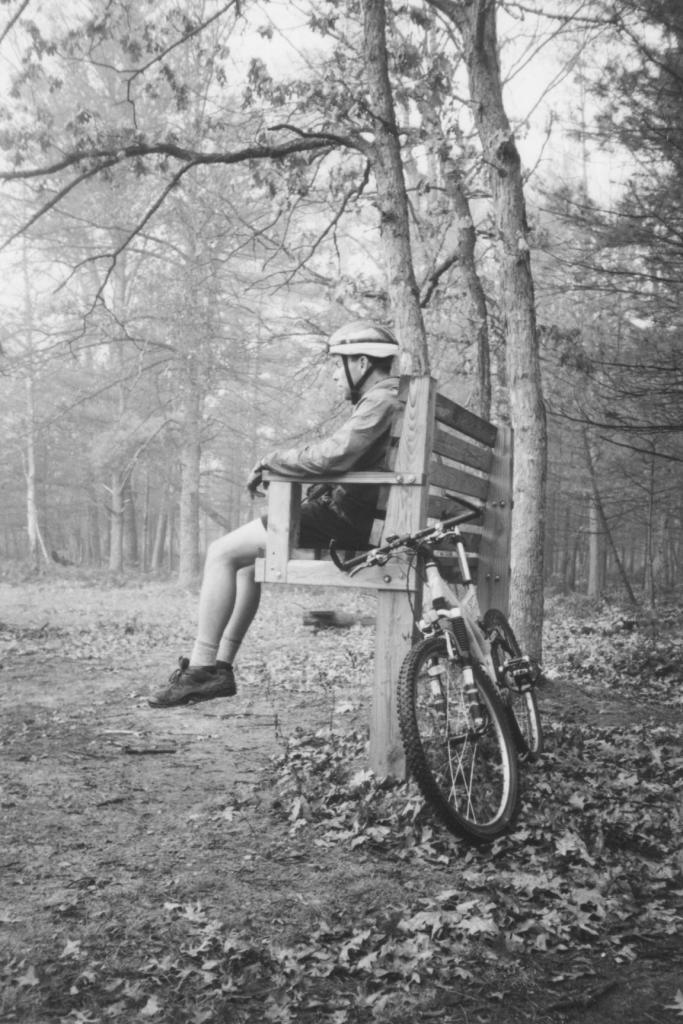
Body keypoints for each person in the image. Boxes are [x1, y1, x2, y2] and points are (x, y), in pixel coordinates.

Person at [149, 320, 400, 707]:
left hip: (349, 519)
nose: (335, 374)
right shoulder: (390, 398)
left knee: (220, 552)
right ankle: (220, 668)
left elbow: (335, 454)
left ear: (362, 363)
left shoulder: (383, 399)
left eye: (339, 365)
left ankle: (201, 669)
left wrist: (272, 460)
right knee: (249, 563)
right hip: (361, 515)